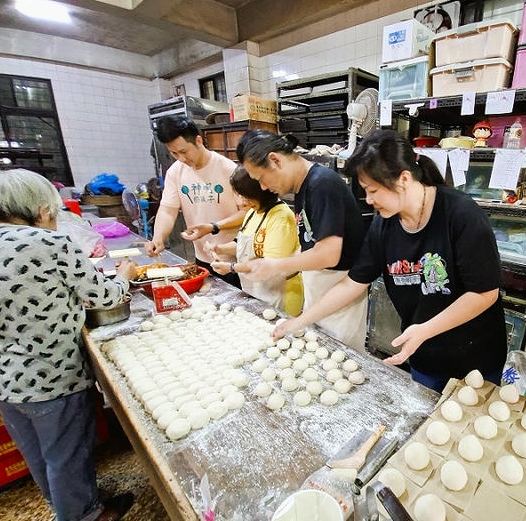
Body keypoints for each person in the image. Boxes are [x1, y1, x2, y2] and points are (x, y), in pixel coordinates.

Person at [273, 129, 508, 392]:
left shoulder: (461, 215)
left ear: (404, 178)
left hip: (474, 355)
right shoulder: (383, 226)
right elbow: (353, 284)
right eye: (365, 191)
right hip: (422, 353)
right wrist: (301, 320)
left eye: (373, 190)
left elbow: (484, 293)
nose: (369, 200)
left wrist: (425, 329)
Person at [0, 169, 139, 521]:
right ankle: (80, 520)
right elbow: (103, 295)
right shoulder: (51, 244)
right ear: (38, 208)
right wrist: (124, 275)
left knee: (39, 452)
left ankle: (64, 502)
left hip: (0, 376)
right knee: (66, 451)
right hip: (51, 375)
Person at [236, 130, 368, 351]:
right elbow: (311, 244)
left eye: (261, 179)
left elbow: (328, 253)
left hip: (340, 294)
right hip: (319, 289)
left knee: (340, 361)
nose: (263, 188)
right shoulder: (302, 187)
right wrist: (279, 268)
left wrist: (276, 266)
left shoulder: (322, 184)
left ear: (275, 160)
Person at [145, 115, 244, 288]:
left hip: (233, 258)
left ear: (198, 140)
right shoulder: (175, 172)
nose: (181, 158)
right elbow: (168, 210)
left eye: (184, 151)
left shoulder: (228, 169)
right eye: (174, 153)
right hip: (202, 257)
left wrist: (214, 226)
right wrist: (158, 237)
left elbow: (247, 213)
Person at [208, 167, 303, 316]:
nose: (240, 201)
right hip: (257, 292)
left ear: (260, 192)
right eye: (238, 194)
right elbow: (245, 244)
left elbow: (270, 265)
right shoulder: (253, 212)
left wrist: (232, 267)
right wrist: (220, 248)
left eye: (245, 196)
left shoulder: (280, 217)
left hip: (280, 295)